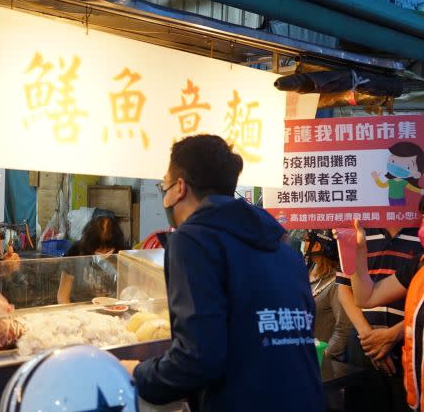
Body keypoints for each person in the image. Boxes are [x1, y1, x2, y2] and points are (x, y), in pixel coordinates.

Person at [121, 135, 322, 411]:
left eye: (163, 185)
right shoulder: (282, 246)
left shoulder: (192, 240)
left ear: (180, 188)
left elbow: (197, 360)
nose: (163, 195)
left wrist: (136, 372)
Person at [347, 186, 424, 412]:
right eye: (423, 219)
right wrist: (357, 251)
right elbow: (366, 297)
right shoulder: (423, 264)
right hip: (421, 399)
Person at [335, 223, 423, 412]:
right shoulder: (356, 231)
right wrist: (369, 337)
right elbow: (344, 288)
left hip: (410, 340)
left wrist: (394, 334)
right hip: (363, 341)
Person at [303, 230, 353, 361]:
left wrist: (324, 356)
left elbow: (344, 328)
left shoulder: (336, 282)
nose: (303, 242)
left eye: (306, 239)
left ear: (318, 246)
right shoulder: (306, 272)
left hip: (321, 364)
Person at [58, 216, 128, 304]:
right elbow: (62, 296)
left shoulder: (124, 254)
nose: (103, 254)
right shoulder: (75, 252)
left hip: (114, 307)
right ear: (90, 244)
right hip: (80, 308)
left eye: (108, 250)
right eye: (98, 250)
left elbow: (129, 289)